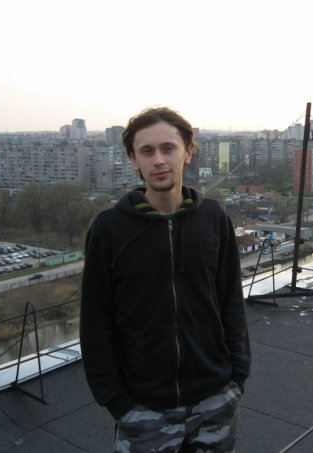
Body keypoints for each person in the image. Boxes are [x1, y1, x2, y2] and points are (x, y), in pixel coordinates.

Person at [80, 107, 251, 452]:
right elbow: (95, 323)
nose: (158, 159)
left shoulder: (214, 219)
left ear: (188, 152)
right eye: (147, 151)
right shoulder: (111, 229)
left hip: (215, 399)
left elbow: (231, 302)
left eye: (168, 148)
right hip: (144, 408)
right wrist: (118, 403)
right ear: (134, 160)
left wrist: (237, 377)